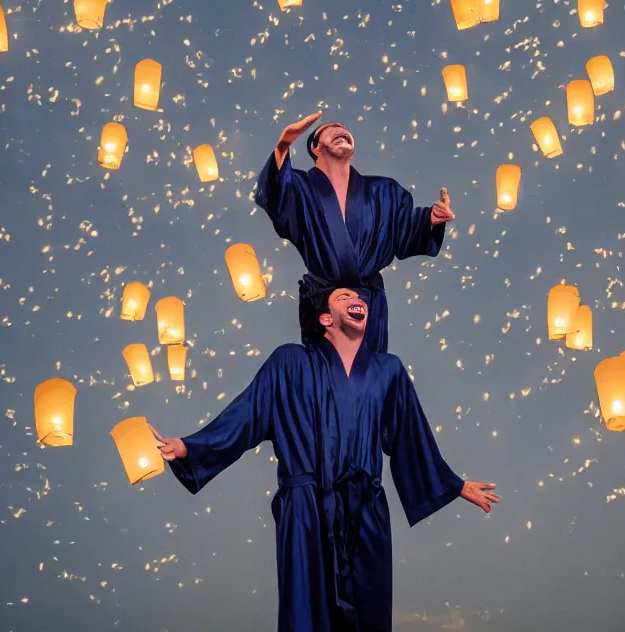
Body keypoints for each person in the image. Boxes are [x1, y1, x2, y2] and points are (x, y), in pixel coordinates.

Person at [153, 286, 499, 632]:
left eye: (359, 298)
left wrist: (453, 485)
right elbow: (247, 414)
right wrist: (189, 447)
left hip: (365, 510)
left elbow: (411, 435)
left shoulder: (388, 370)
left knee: (369, 616)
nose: (356, 300)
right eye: (343, 297)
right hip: (306, 508)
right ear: (324, 318)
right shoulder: (289, 362)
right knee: (305, 614)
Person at [254, 111, 455, 353]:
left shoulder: (384, 190)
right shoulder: (300, 188)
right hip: (323, 300)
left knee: (371, 378)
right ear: (316, 148)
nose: (340, 129)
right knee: (327, 376)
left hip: (368, 301)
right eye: (330, 129)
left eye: (343, 128)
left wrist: (431, 220)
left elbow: (405, 232)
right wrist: (284, 144)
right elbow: (275, 195)